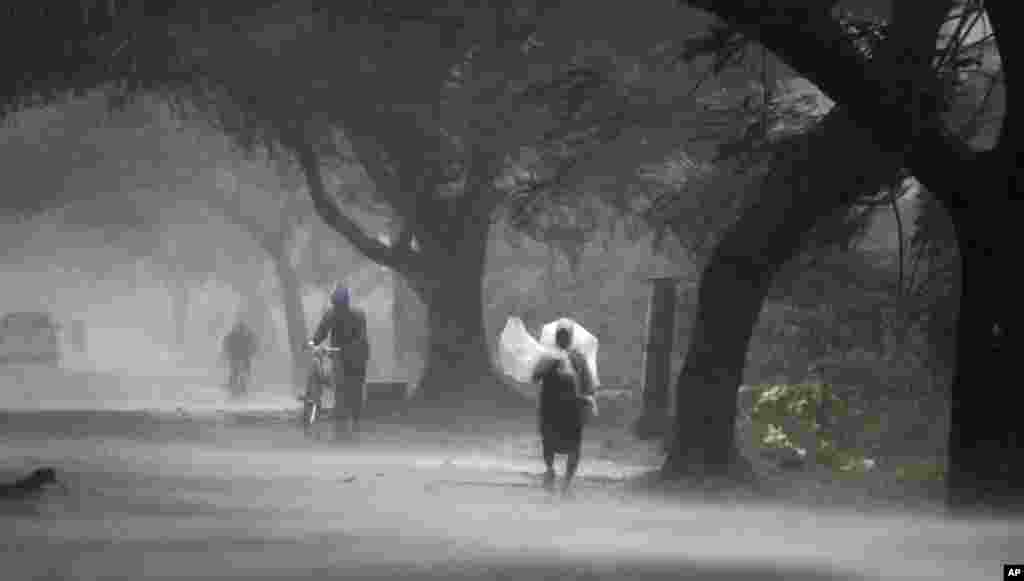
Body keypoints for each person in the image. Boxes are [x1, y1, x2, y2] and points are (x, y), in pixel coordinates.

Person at [531, 321, 597, 494]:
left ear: (570, 338)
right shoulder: (548, 358)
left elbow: (588, 384)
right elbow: (535, 376)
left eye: (565, 335)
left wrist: (587, 398)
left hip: (569, 410)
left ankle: (565, 483)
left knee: (572, 446)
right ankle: (552, 472)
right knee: (550, 443)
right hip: (553, 410)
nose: (563, 338)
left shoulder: (577, 358)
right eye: (561, 335)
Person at [309, 285, 370, 435]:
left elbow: (362, 337)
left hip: (357, 355)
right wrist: (314, 343)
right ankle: (340, 416)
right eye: (337, 305)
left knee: (356, 388)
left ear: (346, 304)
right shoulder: (331, 314)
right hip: (339, 356)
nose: (338, 308)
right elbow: (321, 331)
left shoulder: (358, 315)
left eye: (340, 305)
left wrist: (351, 350)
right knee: (339, 385)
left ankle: (356, 418)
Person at [222, 320, 258, 395]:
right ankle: (238, 386)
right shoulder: (247, 335)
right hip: (240, 356)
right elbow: (226, 343)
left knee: (238, 371)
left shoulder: (235, 334)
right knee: (238, 371)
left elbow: (226, 343)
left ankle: (239, 386)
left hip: (240, 356)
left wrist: (227, 352)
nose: (240, 329)